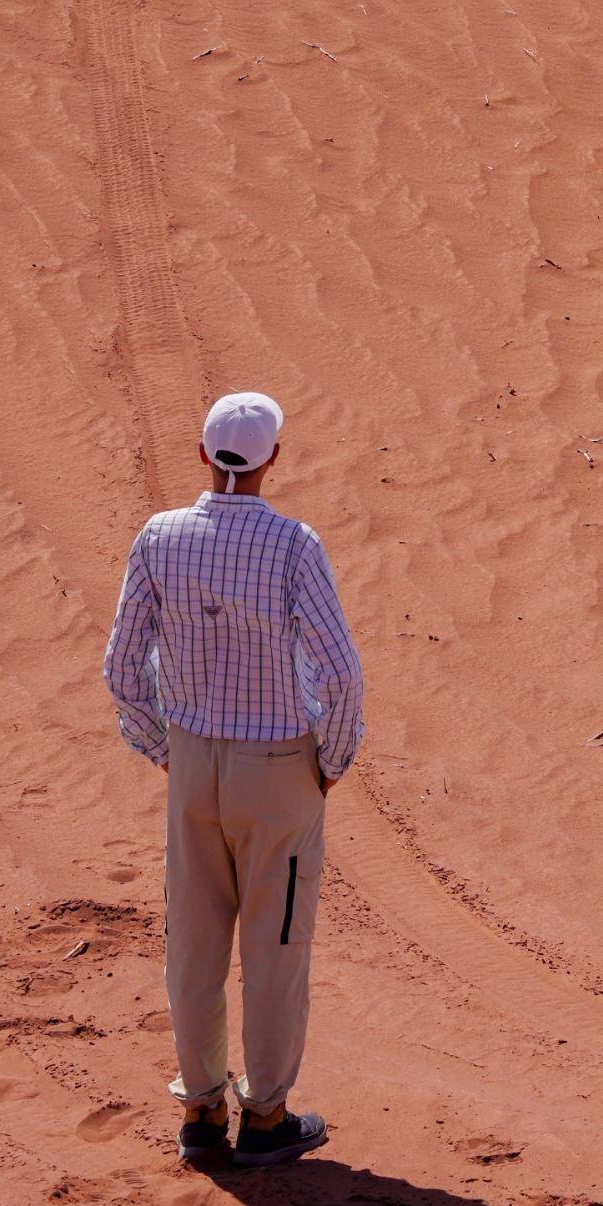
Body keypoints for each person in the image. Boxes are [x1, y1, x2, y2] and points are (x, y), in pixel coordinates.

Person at [103, 387, 365, 1164]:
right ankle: (267, 1121)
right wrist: (330, 762)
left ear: (202, 455)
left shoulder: (159, 537)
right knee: (276, 948)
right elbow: (342, 674)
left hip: (192, 763)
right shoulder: (292, 545)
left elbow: (121, 668)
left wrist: (164, 749)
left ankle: (201, 1116)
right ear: (271, 458)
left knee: (193, 943)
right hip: (278, 768)